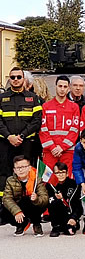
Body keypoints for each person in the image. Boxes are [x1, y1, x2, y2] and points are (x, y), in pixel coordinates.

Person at [0, 67, 42, 195]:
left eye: (19, 77)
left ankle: (27, 200)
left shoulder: (33, 98)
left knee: (26, 172)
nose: (16, 80)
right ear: (10, 79)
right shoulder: (2, 98)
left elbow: (37, 121)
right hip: (5, 144)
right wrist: (9, 137)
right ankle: (4, 203)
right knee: (4, 172)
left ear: (23, 79)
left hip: (26, 144)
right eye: (13, 77)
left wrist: (22, 136)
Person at [40, 75, 80, 177]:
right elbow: (43, 129)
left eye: (65, 87)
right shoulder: (46, 106)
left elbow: (74, 130)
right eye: (60, 86)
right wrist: (53, 147)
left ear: (69, 88)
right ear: (55, 86)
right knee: (48, 180)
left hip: (68, 151)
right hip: (50, 151)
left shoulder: (74, 107)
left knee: (67, 179)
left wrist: (62, 147)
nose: (62, 89)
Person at [3, 155, 48, 237]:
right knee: (4, 210)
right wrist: (17, 211)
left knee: (30, 201)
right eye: (18, 168)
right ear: (14, 170)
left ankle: (36, 224)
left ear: (29, 167)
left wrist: (36, 199)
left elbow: (45, 198)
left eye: (23, 167)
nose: (20, 170)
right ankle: (21, 224)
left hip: (33, 205)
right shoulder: (10, 180)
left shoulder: (37, 179)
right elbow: (7, 198)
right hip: (19, 205)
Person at [46, 161, 82, 237]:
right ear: (54, 174)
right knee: (54, 202)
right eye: (57, 173)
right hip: (58, 214)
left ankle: (72, 224)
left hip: (70, 214)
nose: (60, 175)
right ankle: (55, 226)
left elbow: (78, 205)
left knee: (69, 232)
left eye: (62, 172)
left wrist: (74, 218)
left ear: (67, 173)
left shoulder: (74, 185)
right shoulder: (50, 185)